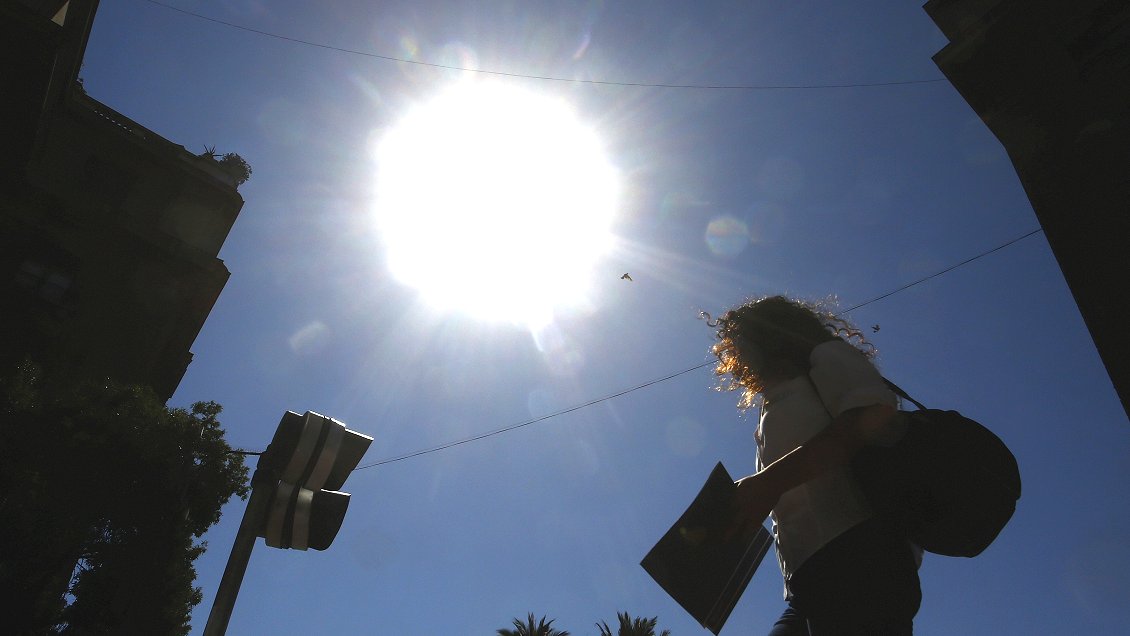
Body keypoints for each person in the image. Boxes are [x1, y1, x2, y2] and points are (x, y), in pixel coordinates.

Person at [709, 295, 921, 635]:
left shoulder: (825, 355)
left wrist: (768, 484)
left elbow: (873, 414)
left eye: (740, 341)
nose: (736, 354)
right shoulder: (774, 402)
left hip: (861, 558)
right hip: (808, 578)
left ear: (768, 334)